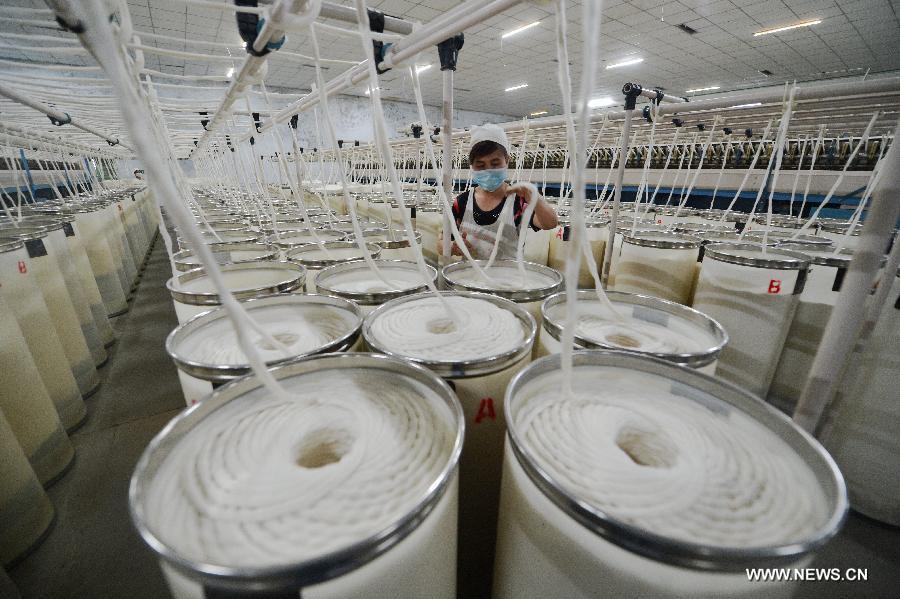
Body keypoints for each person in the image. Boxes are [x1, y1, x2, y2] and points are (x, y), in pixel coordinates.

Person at [438, 124, 558, 260]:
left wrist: (535, 197)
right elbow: (441, 242)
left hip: (507, 272)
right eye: (480, 165)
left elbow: (550, 224)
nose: (488, 170)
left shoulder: (519, 201)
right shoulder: (462, 202)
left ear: (507, 160)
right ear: (472, 166)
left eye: (495, 164)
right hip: (470, 272)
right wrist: (450, 246)